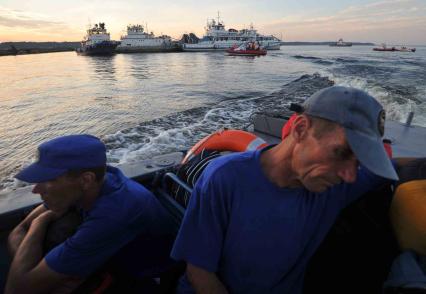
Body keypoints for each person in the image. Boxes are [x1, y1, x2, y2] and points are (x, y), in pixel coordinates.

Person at [171, 86, 400, 294]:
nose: (350, 175)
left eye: (358, 162)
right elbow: (199, 271)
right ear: (300, 129)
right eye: (340, 152)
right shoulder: (226, 178)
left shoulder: (334, 184)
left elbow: (392, 169)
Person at [5, 134, 175, 293]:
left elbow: (17, 289)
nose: (35, 189)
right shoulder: (92, 182)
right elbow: (17, 232)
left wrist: (39, 222)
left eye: (48, 180)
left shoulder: (115, 212)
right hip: (111, 258)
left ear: (86, 180)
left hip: (146, 276)